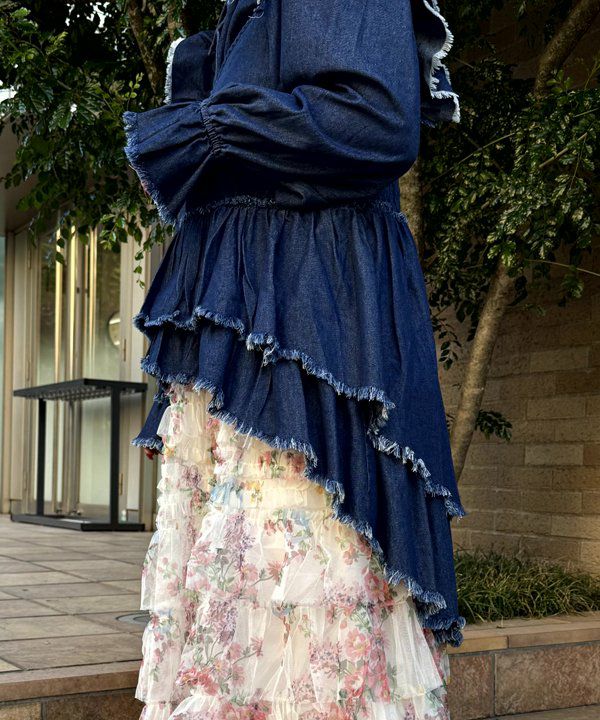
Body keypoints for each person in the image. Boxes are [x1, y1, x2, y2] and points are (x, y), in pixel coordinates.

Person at [123, 1, 466, 718]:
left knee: (296, 567)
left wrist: (212, 128)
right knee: (232, 579)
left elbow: (374, 118)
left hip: (305, 326)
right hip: (247, 319)